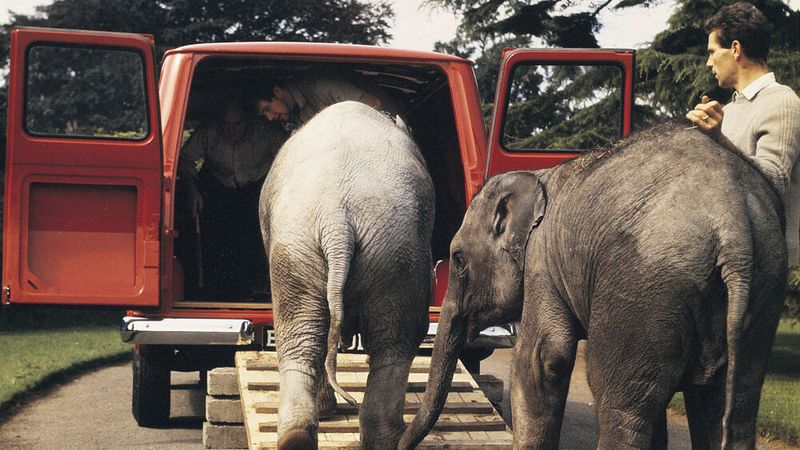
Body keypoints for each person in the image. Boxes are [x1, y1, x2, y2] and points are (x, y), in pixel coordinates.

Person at [686, 1, 800, 267]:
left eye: (713, 51)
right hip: (729, 259)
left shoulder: (781, 101)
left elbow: (775, 179)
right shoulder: (730, 109)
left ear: (735, 49)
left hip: (764, 268)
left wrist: (718, 139)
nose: (708, 62)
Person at [177, 97, 288, 299]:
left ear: (247, 120)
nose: (231, 130)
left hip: (257, 189)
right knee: (218, 240)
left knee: (258, 239)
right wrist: (192, 188)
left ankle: (261, 288)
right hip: (220, 189)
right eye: (226, 124)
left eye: (237, 124)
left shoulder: (265, 131)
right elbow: (184, 160)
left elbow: (290, 157)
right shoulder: (208, 131)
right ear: (218, 121)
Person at [255, 74, 400, 129]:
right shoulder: (296, 115)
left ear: (277, 91)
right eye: (264, 116)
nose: (269, 117)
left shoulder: (320, 86)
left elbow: (374, 105)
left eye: (267, 109)